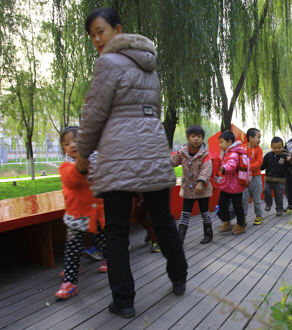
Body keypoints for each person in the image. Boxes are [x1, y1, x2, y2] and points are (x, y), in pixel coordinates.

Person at [76, 8, 187, 319]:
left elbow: (93, 113)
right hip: (152, 152)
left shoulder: (107, 62)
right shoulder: (150, 68)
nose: (97, 39)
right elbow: (151, 111)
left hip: (118, 157)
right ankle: (179, 276)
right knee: (163, 220)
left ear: (118, 29)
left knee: (115, 231)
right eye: (92, 35)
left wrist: (83, 155)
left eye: (101, 31)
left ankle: (124, 300)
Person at [54, 126, 107, 300]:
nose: (72, 145)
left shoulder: (97, 159)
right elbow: (70, 179)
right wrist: (80, 168)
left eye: (76, 141)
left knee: (105, 243)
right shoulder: (66, 165)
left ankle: (111, 262)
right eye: (67, 143)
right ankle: (70, 282)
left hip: (96, 213)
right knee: (72, 249)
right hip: (75, 216)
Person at [170, 125, 214, 244]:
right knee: (185, 213)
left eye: (199, 136)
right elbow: (171, 161)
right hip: (188, 189)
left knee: (204, 212)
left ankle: (208, 233)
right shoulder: (182, 153)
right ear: (188, 138)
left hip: (203, 189)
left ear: (202, 138)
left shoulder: (206, 154)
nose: (196, 139)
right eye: (193, 136)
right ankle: (180, 238)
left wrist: (200, 183)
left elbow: (206, 169)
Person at [217, 130, 248, 235]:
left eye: (221, 142)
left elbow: (231, 166)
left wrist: (221, 168)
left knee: (237, 205)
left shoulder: (233, 154)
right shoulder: (228, 153)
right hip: (227, 185)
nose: (219, 144)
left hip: (235, 185)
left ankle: (241, 224)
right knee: (222, 202)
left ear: (229, 142)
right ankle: (227, 222)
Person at [261, 137, 289, 216]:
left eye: (279, 148)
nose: (277, 150)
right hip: (269, 180)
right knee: (266, 191)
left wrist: (290, 160)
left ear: (282, 147)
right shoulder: (268, 155)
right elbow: (262, 165)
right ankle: (268, 203)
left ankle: (279, 209)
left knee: (279, 195)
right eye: (275, 148)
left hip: (279, 181)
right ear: (271, 147)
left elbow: (290, 165)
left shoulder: (285, 156)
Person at [241, 128, 264, 225]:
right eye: (258, 137)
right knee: (243, 199)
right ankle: (243, 217)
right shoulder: (242, 148)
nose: (260, 140)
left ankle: (259, 216)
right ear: (250, 138)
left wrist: (247, 167)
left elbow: (259, 163)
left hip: (256, 178)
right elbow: (238, 160)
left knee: (256, 199)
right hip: (244, 179)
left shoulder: (259, 150)